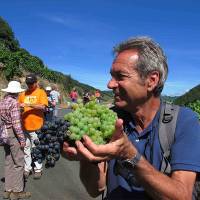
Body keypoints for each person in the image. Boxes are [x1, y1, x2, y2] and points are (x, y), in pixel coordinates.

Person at [63, 36, 200, 200]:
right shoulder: (110, 119)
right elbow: (95, 189)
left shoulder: (183, 121)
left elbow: (182, 196)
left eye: (120, 76)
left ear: (151, 80)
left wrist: (129, 155)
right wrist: (85, 156)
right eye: (112, 76)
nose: (110, 84)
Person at [0, 81, 31, 200]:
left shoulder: (2, 101)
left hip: (4, 133)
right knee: (19, 162)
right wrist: (22, 139)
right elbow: (16, 124)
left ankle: (7, 190)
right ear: (17, 92)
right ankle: (17, 192)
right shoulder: (14, 103)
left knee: (9, 161)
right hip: (13, 133)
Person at [18, 74, 48, 180]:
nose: (29, 85)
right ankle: (27, 168)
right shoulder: (23, 94)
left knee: (36, 148)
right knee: (26, 148)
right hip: (24, 126)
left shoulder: (41, 92)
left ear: (36, 82)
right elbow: (20, 107)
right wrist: (20, 109)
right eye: (28, 83)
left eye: (31, 83)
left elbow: (43, 107)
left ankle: (38, 169)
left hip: (37, 126)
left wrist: (28, 105)